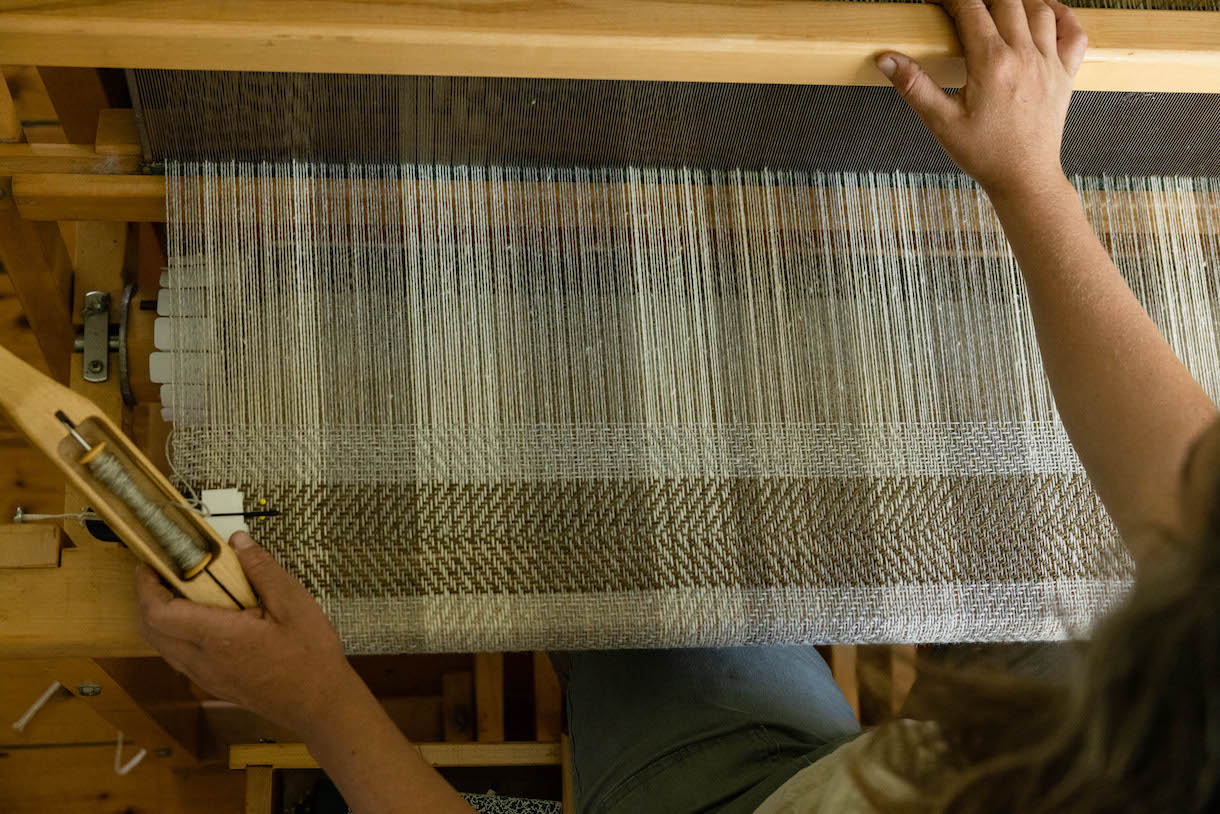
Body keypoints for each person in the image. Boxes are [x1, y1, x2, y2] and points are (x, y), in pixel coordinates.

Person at [136, 0, 1220, 811]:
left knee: (616, 539)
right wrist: (1031, 177)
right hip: (1029, 739)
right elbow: (1185, 493)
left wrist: (319, 700)